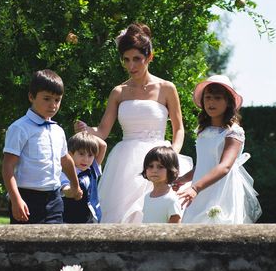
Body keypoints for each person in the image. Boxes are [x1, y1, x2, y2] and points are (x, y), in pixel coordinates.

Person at [74, 23, 192, 223]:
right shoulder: (118, 92)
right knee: (121, 217)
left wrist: (173, 152)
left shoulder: (166, 88)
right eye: (126, 60)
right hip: (125, 162)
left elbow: (179, 128)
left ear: (149, 57)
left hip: (159, 157)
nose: (131, 66)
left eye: (137, 59)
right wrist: (87, 130)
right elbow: (103, 131)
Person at [175, 75, 262, 224]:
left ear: (228, 102)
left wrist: (195, 188)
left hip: (221, 190)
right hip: (199, 190)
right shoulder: (202, 131)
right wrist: (183, 179)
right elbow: (204, 164)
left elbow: (224, 166)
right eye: (208, 97)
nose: (211, 102)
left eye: (217, 98)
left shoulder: (233, 132)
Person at [2, 69, 82, 224]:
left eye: (57, 100)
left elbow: (65, 160)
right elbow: (7, 167)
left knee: (54, 246)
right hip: (27, 200)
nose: (53, 105)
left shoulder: (58, 130)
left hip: (54, 200)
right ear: (31, 97)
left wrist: (75, 185)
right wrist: (16, 199)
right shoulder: (20, 128)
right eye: (47, 99)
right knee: (24, 247)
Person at [60, 131, 107, 223]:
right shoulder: (65, 172)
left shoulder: (92, 168)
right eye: (81, 154)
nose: (86, 159)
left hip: (91, 218)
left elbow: (103, 145)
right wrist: (72, 191)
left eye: (90, 155)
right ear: (70, 154)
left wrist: (86, 133)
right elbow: (65, 189)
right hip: (70, 219)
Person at [141, 146, 183, 223]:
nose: (154, 170)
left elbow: (175, 230)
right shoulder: (147, 197)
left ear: (171, 170)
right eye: (150, 166)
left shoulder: (172, 200)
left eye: (160, 167)